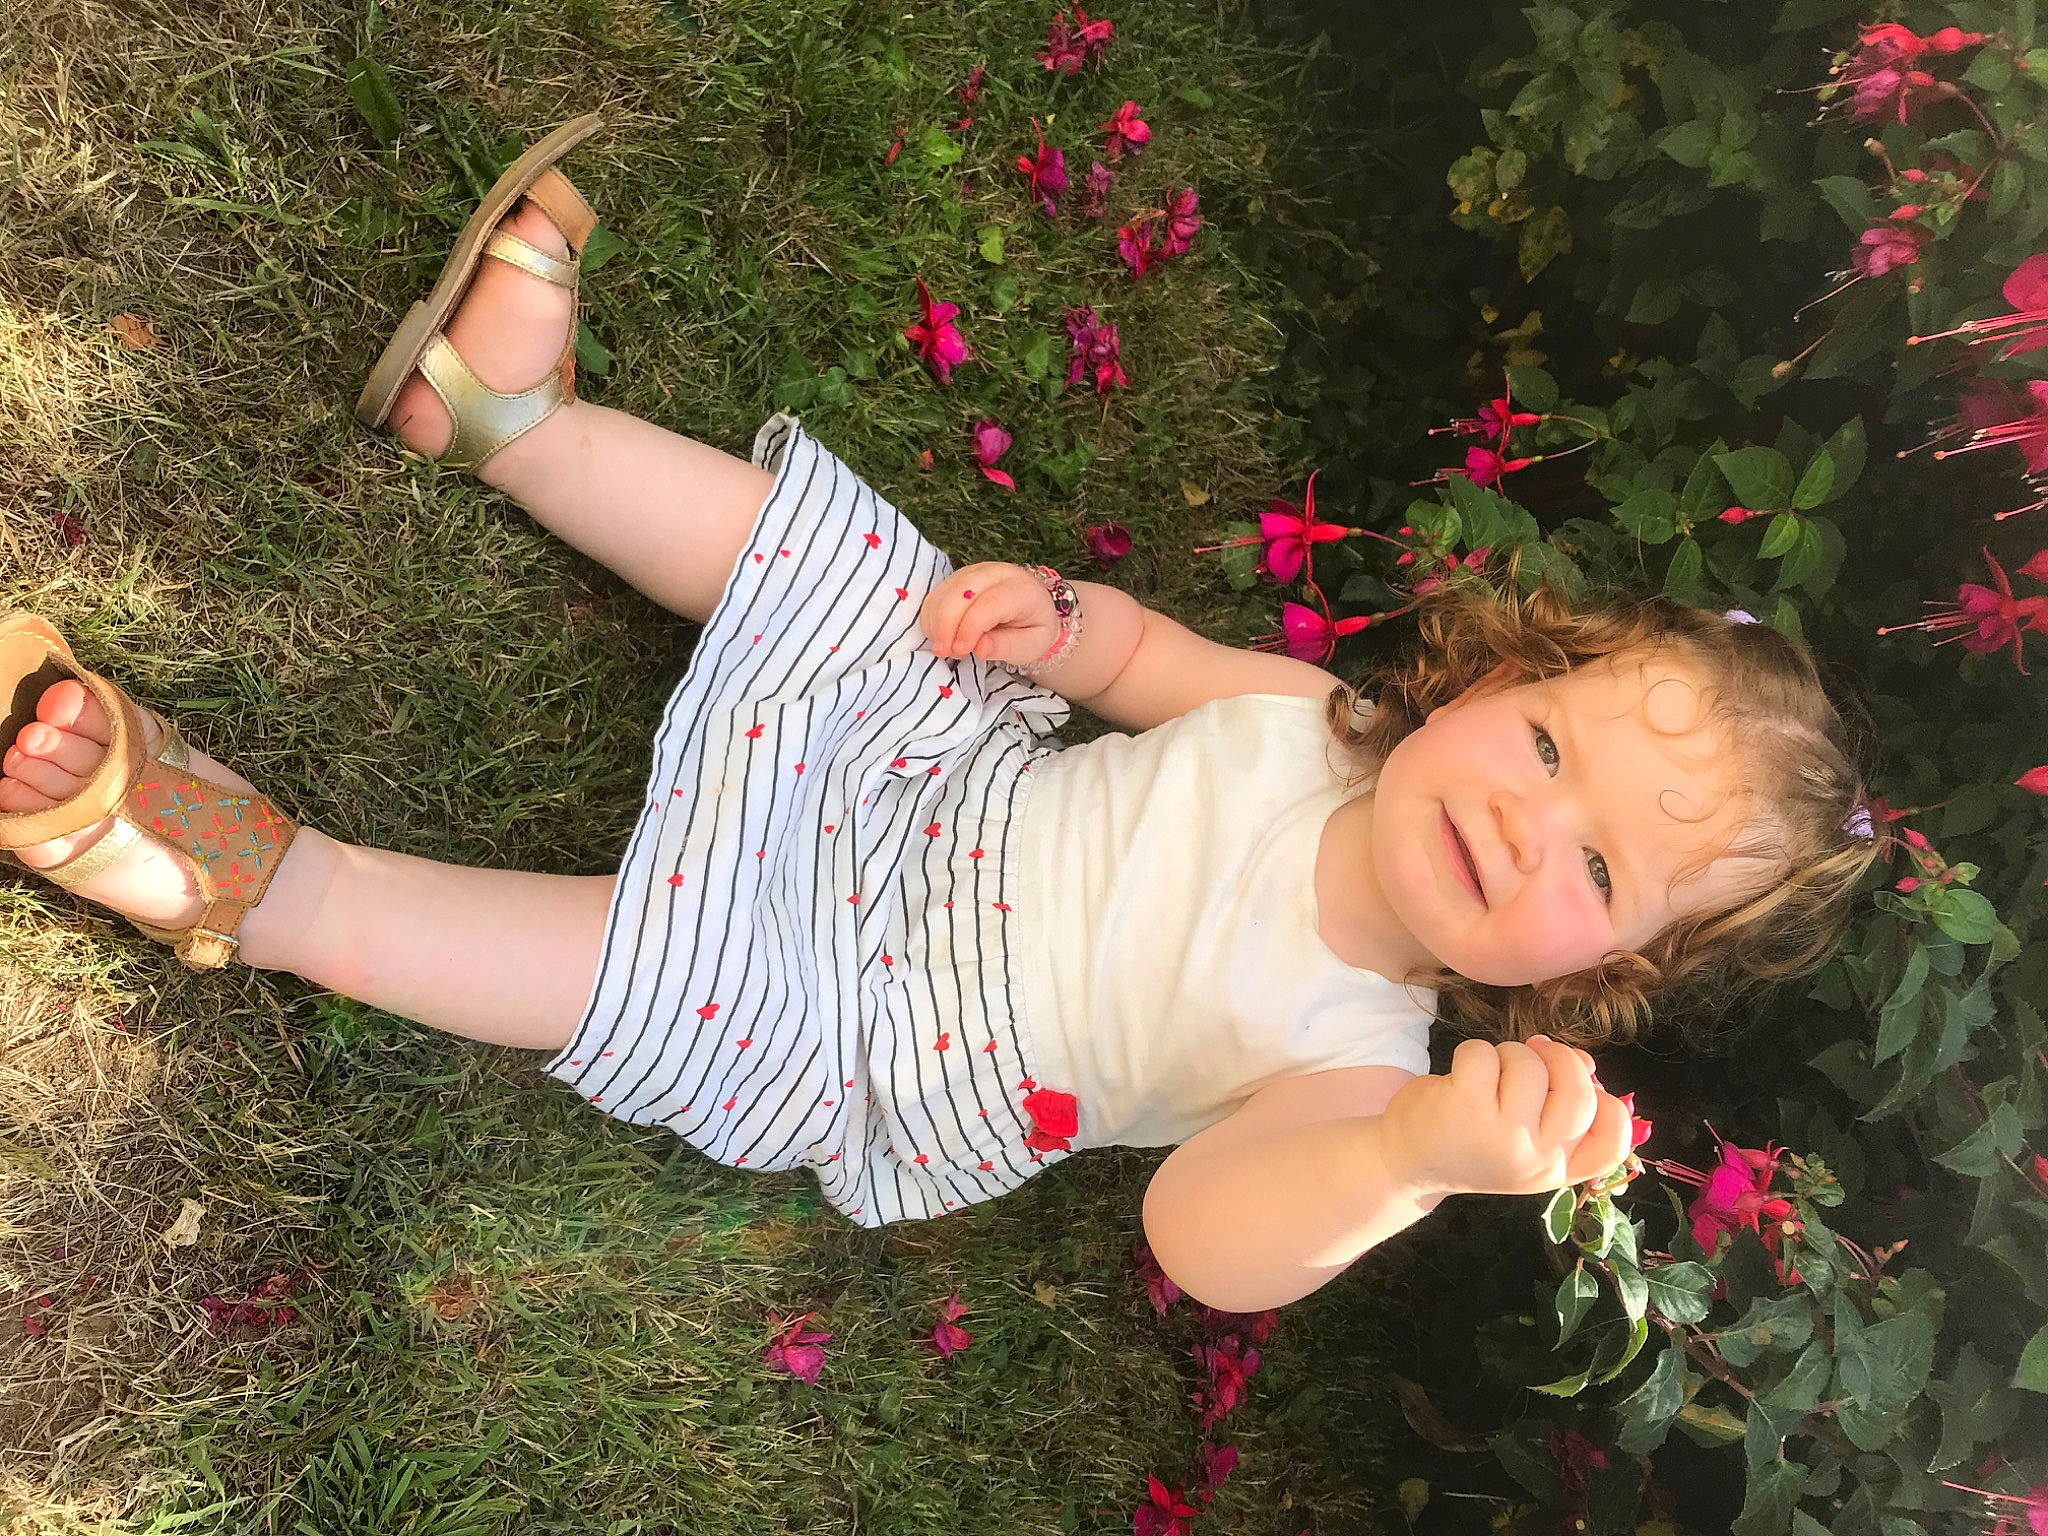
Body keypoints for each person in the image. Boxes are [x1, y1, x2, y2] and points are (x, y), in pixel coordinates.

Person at [0, 118, 1881, 1311]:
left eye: (1599, 869)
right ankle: (509, 422)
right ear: (1503, 680)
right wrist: (1058, 627)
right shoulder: (1324, 725)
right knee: (868, 579)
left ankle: (246, 872)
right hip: (940, 789)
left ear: (1606, 971)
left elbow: (1205, 1239)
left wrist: (1409, 1163)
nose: (1528, 822)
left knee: (645, 973)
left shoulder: (1359, 1066)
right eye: (1548, 747)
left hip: (876, 1030)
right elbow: (1145, 670)